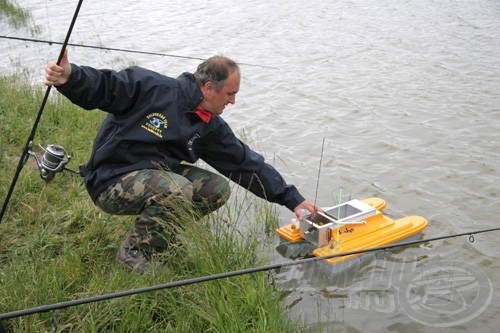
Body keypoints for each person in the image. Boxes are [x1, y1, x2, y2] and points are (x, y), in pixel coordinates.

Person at [44, 50, 321, 273]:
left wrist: (293, 200)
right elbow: (106, 86)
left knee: (216, 189)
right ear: (209, 87)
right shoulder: (153, 88)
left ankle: (158, 240)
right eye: (230, 94)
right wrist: (71, 75)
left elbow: (246, 165)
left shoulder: (210, 126)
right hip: (109, 179)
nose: (234, 102)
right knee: (176, 189)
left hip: (155, 180)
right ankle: (133, 253)